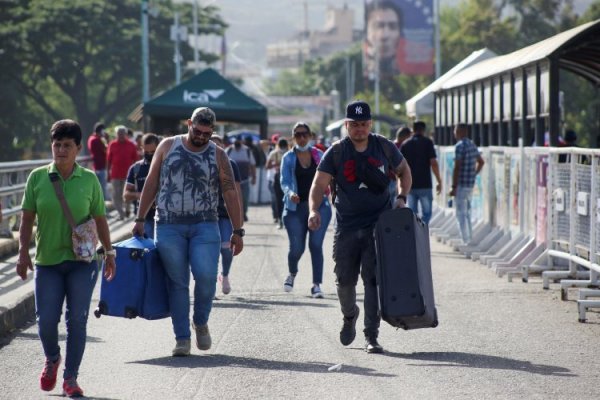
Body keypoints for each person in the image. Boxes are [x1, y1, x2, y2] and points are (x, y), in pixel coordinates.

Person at [16, 119, 116, 398]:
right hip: (47, 261)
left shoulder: (89, 179)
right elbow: (26, 218)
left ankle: (71, 377)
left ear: (78, 148)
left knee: (77, 320)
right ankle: (52, 358)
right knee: (46, 319)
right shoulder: (37, 177)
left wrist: (109, 252)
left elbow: (100, 218)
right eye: (57, 145)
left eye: (67, 145)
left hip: (81, 263)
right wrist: (23, 253)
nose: (61, 150)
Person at [133, 107, 244, 357]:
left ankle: (201, 321)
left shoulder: (218, 155)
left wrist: (238, 230)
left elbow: (229, 192)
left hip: (205, 224)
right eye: (198, 131)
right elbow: (152, 181)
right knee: (177, 283)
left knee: (206, 276)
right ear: (188, 124)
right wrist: (140, 217)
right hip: (169, 224)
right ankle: (182, 338)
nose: (201, 137)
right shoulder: (167, 146)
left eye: (207, 133)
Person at [308, 100, 412, 353]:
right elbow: (318, 185)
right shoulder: (336, 151)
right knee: (344, 281)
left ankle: (371, 336)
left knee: (373, 280)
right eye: (354, 125)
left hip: (378, 224)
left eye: (363, 124)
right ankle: (349, 315)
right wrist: (313, 209)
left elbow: (404, 171)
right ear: (346, 125)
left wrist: (401, 197)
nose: (359, 129)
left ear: (370, 124)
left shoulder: (383, 146)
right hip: (346, 226)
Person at [280, 122, 332, 298]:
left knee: (316, 245)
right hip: (295, 208)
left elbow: (329, 177)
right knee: (297, 248)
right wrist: (290, 193)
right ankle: (292, 273)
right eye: (298, 135)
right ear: (293, 137)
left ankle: (316, 285)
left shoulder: (319, 155)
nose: (302, 138)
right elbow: (284, 181)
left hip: (319, 206)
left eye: (305, 134)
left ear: (310, 136)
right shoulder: (288, 158)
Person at [209, 134, 243, 295]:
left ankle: (226, 274)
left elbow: (236, 192)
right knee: (211, 250)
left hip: (225, 213)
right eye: (212, 144)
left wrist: (239, 220)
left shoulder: (231, 164)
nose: (215, 147)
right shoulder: (201, 163)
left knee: (227, 247)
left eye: (218, 144)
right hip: (207, 214)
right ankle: (211, 283)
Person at [449, 123, 485, 244]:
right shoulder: (472, 144)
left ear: (459, 131)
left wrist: (453, 186)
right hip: (470, 183)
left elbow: (457, 167)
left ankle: (465, 239)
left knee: (460, 213)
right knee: (468, 212)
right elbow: (481, 162)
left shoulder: (459, 146)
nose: (454, 133)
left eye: (455, 130)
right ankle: (469, 238)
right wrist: (474, 174)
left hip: (461, 184)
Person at [400, 121, 442, 224]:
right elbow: (433, 163)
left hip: (409, 185)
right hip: (425, 184)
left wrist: (401, 186)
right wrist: (439, 181)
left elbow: (400, 166)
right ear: (424, 130)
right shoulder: (428, 142)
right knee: (426, 213)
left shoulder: (405, 144)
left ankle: (415, 235)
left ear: (412, 130)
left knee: (412, 214)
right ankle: (422, 232)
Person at [123, 133, 160, 239]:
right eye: (146, 152)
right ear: (142, 148)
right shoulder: (136, 169)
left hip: (164, 218)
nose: (149, 155)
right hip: (145, 219)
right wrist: (143, 195)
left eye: (153, 152)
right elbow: (126, 195)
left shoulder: (166, 166)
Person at [363, 0, 403, 77]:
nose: (385, 35)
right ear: (366, 32)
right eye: (378, 26)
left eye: (392, 27)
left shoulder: (410, 72)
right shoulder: (357, 68)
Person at [106, 125, 138, 220]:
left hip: (128, 175)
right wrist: (108, 172)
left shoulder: (131, 145)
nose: (120, 135)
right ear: (116, 134)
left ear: (126, 134)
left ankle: (127, 209)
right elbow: (108, 160)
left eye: (122, 134)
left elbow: (135, 160)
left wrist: (135, 173)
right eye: (119, 134)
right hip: (115, 174)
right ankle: (121, 213)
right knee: (116, 196)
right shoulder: (112, 144)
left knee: (127, 194)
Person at [226, 136, 256, 221]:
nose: (237, 142)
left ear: (241, 141)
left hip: (245, 179)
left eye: (238, 140)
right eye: (236, 141)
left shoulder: (247, 151)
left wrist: (254, 177)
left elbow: (252, 165)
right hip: (231, 180)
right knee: (233, 198)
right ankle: (234, 214)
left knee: (245, 198)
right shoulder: (229, 150)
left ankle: (244, 213)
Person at [266, 137, 288, 228]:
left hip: (286, 178)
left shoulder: (290, 153)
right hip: (277, 178)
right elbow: (267, 166)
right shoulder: (274, 153)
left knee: (285, 200)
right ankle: (280, 219)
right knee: (279, 200)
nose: (283, 148)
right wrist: (277, 164)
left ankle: (284, 220)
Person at [87, 122, 109, 201]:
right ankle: (103, 210)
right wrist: (106, 139)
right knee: (102, 190)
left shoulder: (91, 138)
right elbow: (106, 151)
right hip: (100, 167)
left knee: (99, 189)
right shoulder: (96, 140)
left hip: (97, 166)